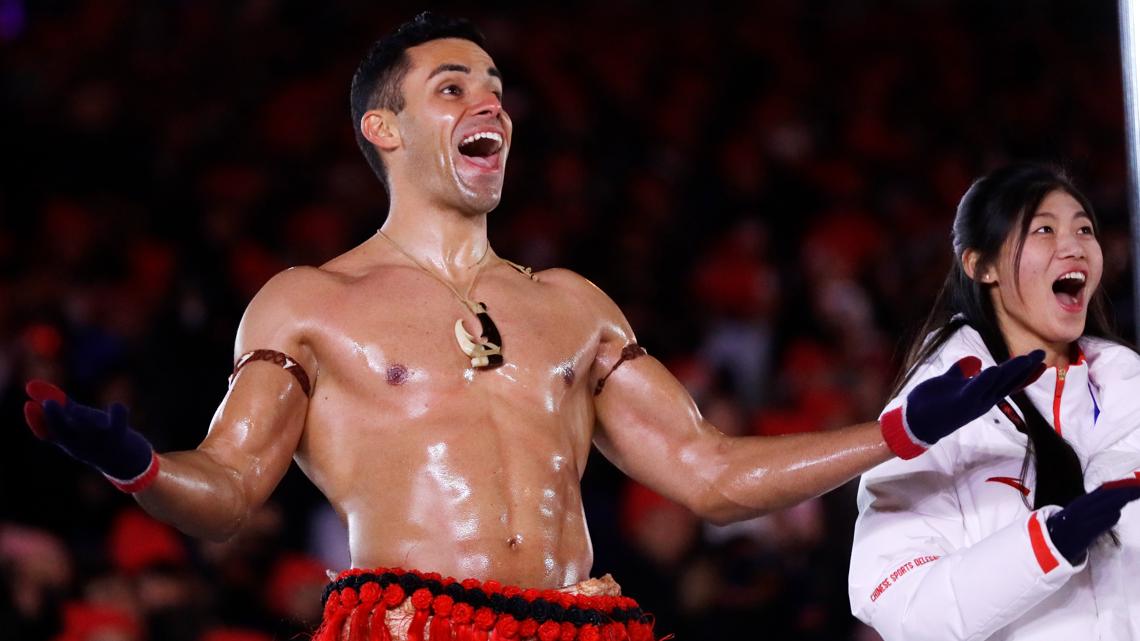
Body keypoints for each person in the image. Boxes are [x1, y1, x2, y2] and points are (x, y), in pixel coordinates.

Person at [23, 14, 1042, 641]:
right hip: (414, 627)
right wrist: (138, 466)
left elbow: (710, 472)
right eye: (453, 87)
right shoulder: (308, 301)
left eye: (499, 91)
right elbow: (231, 491)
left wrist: (897, 431)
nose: (491, 105)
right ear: (383, 128)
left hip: (583, 624)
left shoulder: (574, 304)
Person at [848, 163, 1140, 641]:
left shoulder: (1128, 387)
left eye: (1084, 229)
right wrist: (1048, 545)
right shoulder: (937, 412)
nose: (1074, 246)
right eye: (1044, 229)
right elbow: (899, 605)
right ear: (980, 265)